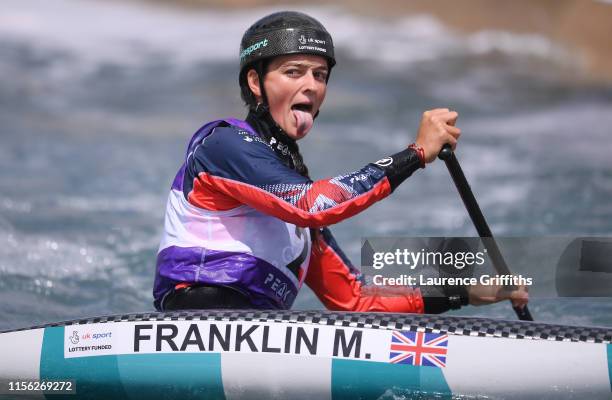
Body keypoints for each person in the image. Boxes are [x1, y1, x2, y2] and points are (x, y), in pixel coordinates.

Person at [153, 11, 528, 314]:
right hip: (196, 320)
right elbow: (313, 205)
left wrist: (461, 292)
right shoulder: (223, 145)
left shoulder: (294, 200)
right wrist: (415, 155)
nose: (312, 86)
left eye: (320, 75)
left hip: (262, 336)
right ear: (255, 82)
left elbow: (354, 299)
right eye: (293, 72)